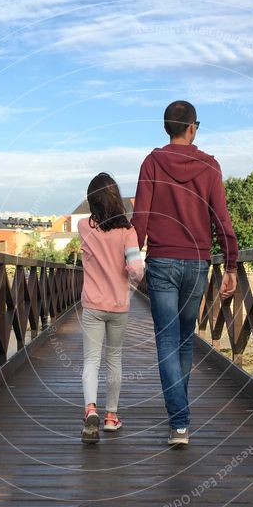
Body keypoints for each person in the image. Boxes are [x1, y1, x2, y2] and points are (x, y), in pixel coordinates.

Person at [132, 100, 238, 447]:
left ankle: (179, 422)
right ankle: (180, 419)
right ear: (192, 127)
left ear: (167, 127)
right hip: (197, 263)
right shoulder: (210, 166)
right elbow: (221, 220)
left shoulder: (152, 162)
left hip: (161, 261)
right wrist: (231, 264)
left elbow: (141, 218)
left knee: (166, 339)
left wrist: (131, 261)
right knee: (184, 339)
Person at [78, 173, 144, 445]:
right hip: (118, 305)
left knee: (90, 361)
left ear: (92, 201)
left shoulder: (84, 226)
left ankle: (90, 409)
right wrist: (130, 274)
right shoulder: (128, 232)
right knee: (114, 359)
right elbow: (137, 271)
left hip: (92, 304)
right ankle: (110, 417)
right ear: (116, 197)